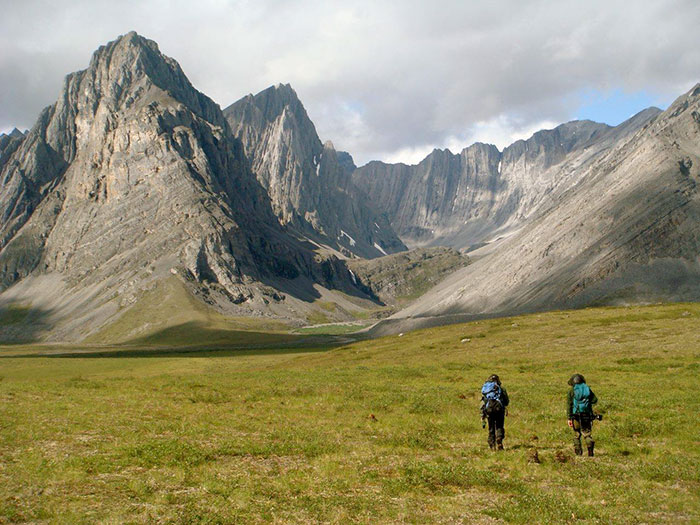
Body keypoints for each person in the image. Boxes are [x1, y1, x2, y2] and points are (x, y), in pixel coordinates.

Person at [567, 373, 599, 457]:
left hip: (576, 416)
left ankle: (578, 454)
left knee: (576, 434)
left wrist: (569, 418)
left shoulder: (572, 391)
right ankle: (590, 452)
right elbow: (595, 400)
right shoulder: (587, 389)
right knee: (587, 434)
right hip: (587, 415)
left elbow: (569, 405)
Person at [480, 374, 509, 450]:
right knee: (499, 425)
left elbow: (483, 402)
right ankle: (499, 439)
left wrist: (482, 415)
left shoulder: (486, 389)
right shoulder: (501, 388)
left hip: (489, 410)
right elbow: (506, 401)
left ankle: (492, 445)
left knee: (491, 428)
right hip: (499, 409)